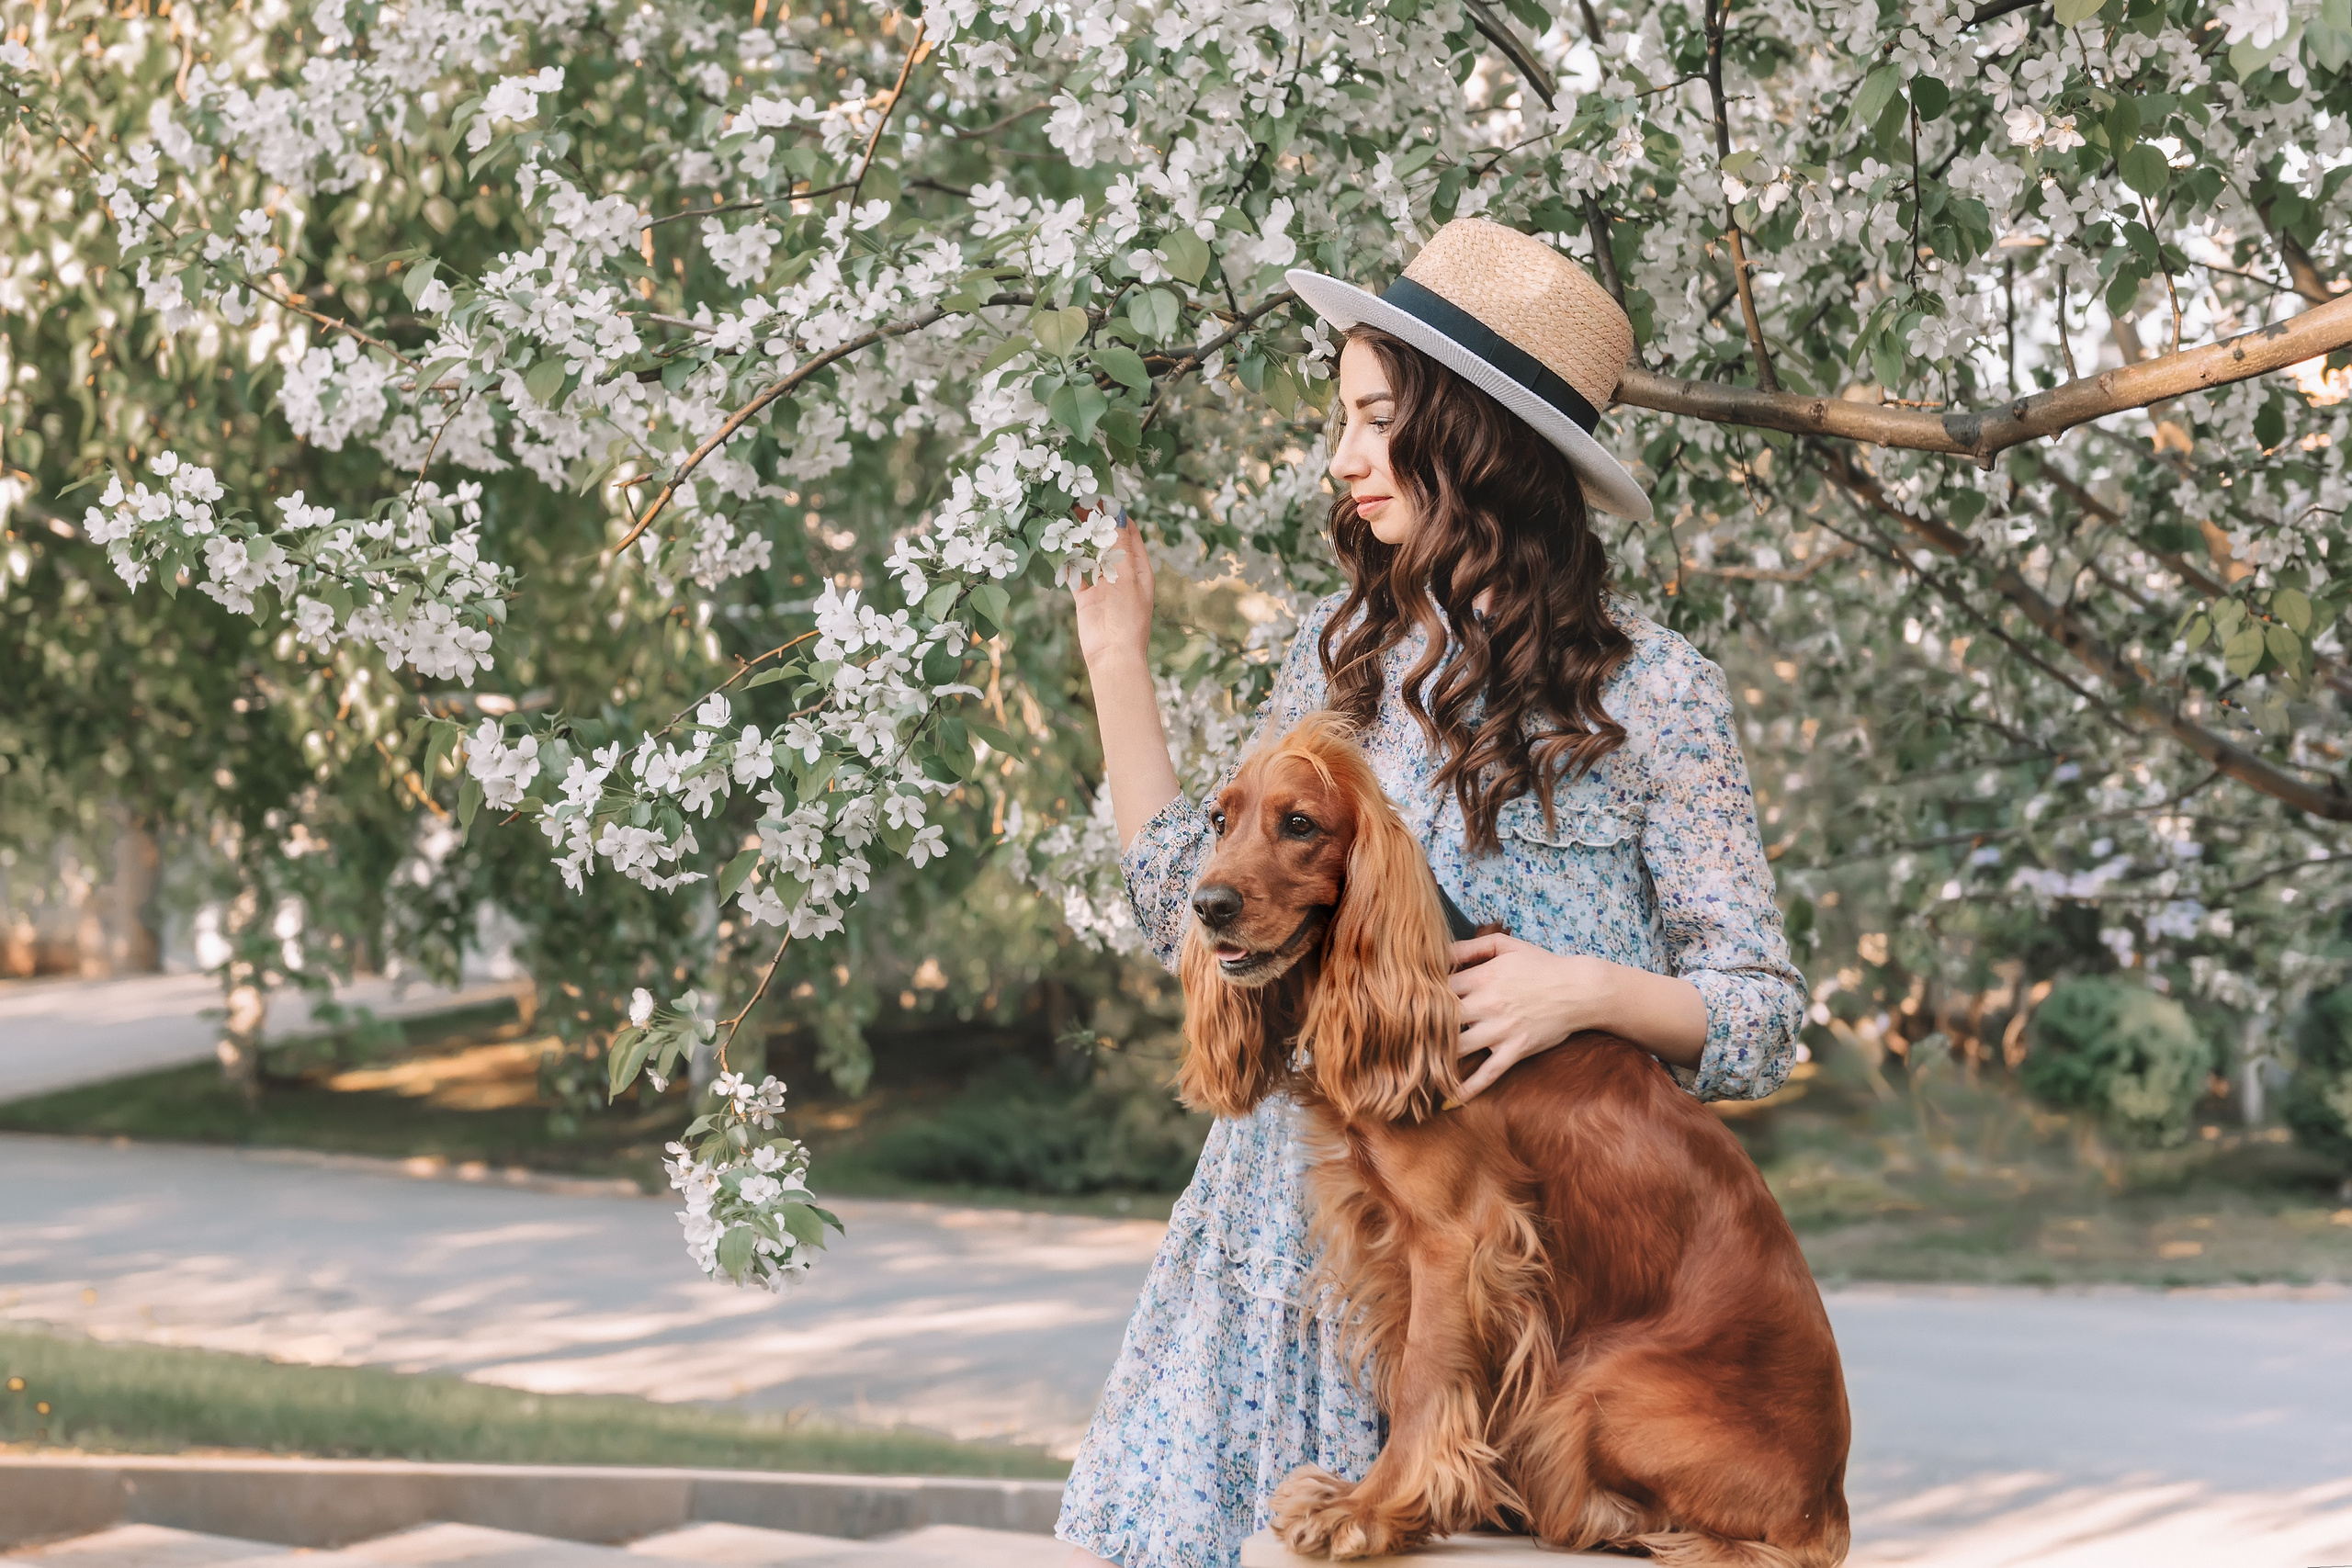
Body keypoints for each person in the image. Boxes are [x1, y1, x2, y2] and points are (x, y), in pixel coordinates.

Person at [1054, 217, 1807, 1568]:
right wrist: (1118, 659)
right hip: (1292, 1242)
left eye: (1374, 417)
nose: (1340, 458)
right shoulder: (1334, 660)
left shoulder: (1659, 694)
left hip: (1531, 1281)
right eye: (1338, 417)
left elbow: (1757, 1016)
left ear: (1477, 442)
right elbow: (1186, 894)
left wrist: (1586, 990)